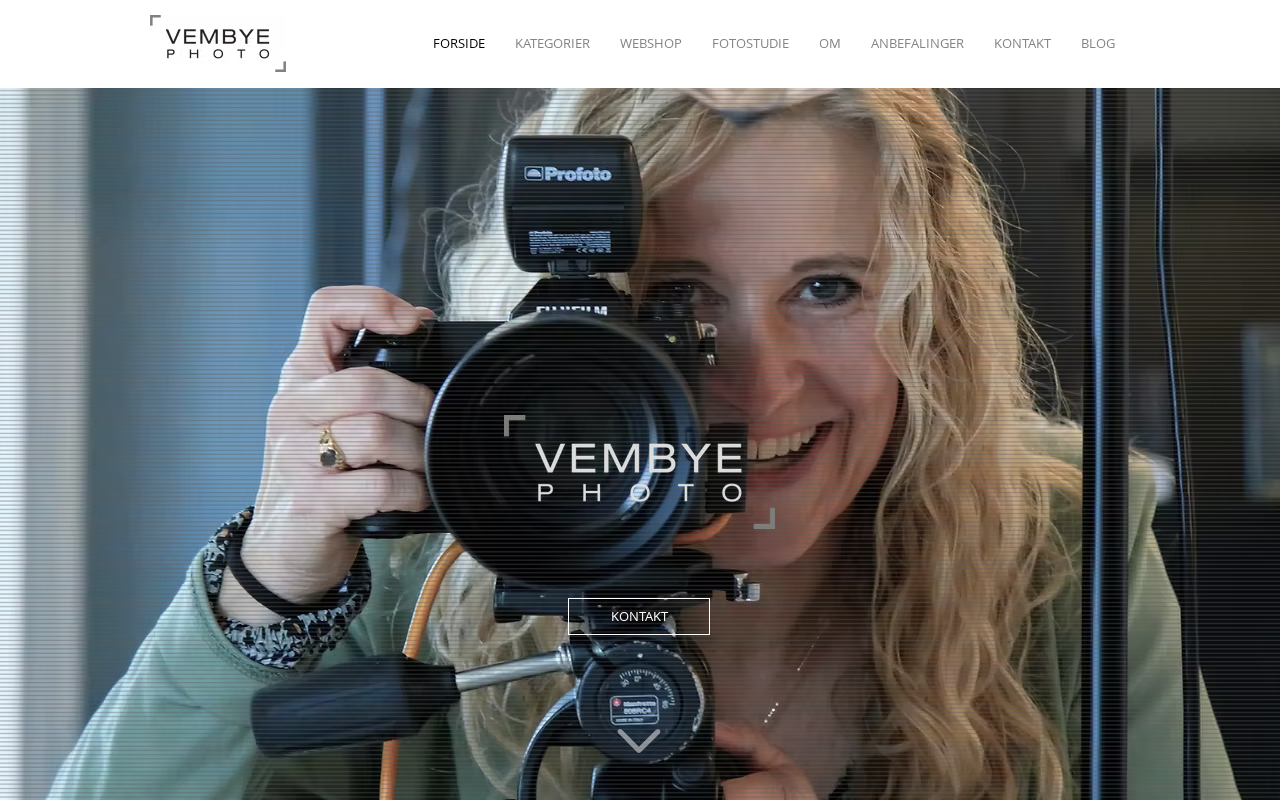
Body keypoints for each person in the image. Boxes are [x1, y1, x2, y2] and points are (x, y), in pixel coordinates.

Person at [49, 88, 1241, 800]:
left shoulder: (1056, 548)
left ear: (929, 318)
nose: (760, 385)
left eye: (827, 287)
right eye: (677, 300)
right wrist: (267, 587)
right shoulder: (418, 571)